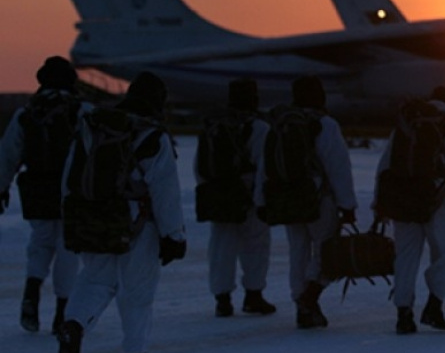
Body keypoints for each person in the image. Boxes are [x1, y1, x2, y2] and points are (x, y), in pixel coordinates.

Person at [57, 72, 187, 353]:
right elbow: (166, 192)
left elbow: (71, 177)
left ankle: (74, 325)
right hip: (137, 223)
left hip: (92, 216)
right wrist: (173, 235)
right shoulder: (153, 135)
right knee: (137, 294)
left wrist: (73, 214)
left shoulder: (93, 127)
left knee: (95, 279)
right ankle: (134, 348)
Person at [375, 86, 445, 334]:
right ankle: (434, 306)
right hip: (437, 202)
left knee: (406, 256)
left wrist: (380, 203)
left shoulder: (406, 124)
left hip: (403, 199)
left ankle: (404, 313)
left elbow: (385, 165)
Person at [0, 56, 87, 334]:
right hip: (73, 192)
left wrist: (1, 188)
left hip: (36, 189)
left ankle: (31, 293)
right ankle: (62, 312)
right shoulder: (82, 111)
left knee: (40, 242)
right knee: (67, 249)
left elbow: (8, 155)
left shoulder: (27, 113)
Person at [277, 76, 358, 329]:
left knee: (297, 251)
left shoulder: (281, 124)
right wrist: (347, 204)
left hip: (289, 198)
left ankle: (300, 303)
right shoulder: (326, 125)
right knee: (326, 249)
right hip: (319, 199)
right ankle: (310, 296)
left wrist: (262, 199)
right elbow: (338, 167)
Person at [194, 78, 275, 317]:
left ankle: (222, 300)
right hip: (248, 196)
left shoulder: (214, 126)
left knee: (221, 248)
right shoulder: (259, 128)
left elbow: (200, 166)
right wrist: (260, 201)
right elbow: (264, 168)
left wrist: (212, 190)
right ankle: (253, 295)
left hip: (220, 196)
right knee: (256, 246)